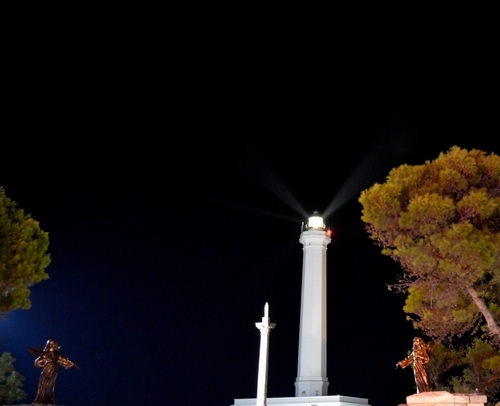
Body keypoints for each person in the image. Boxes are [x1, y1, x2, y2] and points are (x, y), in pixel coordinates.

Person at [31, 339, 76, 405]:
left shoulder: (56, 353)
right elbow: (37, 362)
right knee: (42, 383)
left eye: (52, 344)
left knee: (49, 384)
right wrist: (42, 362)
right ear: (47, 345)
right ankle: (40, 400)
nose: (51, 345)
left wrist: (70, 363)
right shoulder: (44, 353)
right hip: (45, 369)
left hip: (52, 369)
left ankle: (48, 399)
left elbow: (64, 361)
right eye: (50, 344)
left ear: (55, 345)